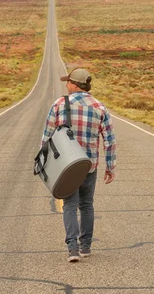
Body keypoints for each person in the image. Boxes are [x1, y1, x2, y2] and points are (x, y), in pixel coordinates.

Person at [41, 68, 116, 262]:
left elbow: (47, 137)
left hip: (66, 167)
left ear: (75, 84)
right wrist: (110, 166)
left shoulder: (59, 104)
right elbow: (109, 140)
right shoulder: (100, 107)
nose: (66, 85)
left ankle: (72, 249)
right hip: (89, 166)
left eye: (68, 82)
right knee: (86, 205)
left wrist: (46, 165)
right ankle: (86, 246)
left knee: (70, 205)